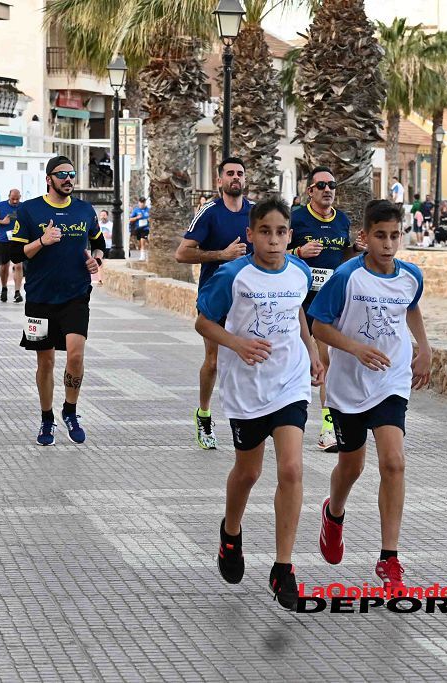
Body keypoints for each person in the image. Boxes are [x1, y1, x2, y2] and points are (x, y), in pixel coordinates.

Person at [194, 196, 325, 611]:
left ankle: (283, 567)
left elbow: (298, 315)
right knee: (248, 472)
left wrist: (313, 351)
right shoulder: (232, 275)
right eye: (264, 232)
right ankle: (230, 534)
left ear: (290, 235)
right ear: (250, 235)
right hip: (246, 388)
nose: (273, 240)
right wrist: (237, 343)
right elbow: (203, 321)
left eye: (281, 232)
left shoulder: (300, 271)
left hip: (289, 381)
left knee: (291, 467)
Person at [308, 199, 431, 594]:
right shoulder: (347, 277)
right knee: (352, 465)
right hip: (348, 386)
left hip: (390, 380)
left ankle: (389, 558)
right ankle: (334, 511)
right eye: (380, 236)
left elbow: (411, 309)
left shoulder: (411, 276)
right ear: (365, 236)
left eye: (395, 236)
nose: (388, 244)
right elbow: (318, 325)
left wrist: (424, 347)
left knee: (394, 462)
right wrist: (355, 348)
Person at [8, 155, 105, 446]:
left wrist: (96, 261)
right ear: (49, 179)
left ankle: (71, 410)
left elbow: (99, 244)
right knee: (46, 361)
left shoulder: (85, 210)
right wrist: (42, 241)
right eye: (61, 174)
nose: (68, 179)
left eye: (72, 174)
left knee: (75, 355)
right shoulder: (29, 211)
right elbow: (14, 254)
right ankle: (47, 417)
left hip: (76, 295)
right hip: (39, 298)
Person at [175, 157, 253, 451]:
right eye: (230, 173)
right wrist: (221, 255)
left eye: (240, 174)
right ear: (219, 180)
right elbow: (182, 254)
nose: (235, 178)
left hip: (249, 299)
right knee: (215, 361)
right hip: (215, 295)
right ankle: (204, 414)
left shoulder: (255, 213)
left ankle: (247, 418)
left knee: (248, 359)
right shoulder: (209, 212)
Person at [288, 166, 364, 452]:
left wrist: (354, 249)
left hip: (327, 301)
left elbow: (342, 257)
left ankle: (328, 429)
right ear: (310, 191)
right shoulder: (296, 218)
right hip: (295, 300)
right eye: (321, 185)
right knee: (293, 362)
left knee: (326, 362)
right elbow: (271, 250)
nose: (327, 189)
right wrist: (297, 252)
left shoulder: (341, 220)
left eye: (331, 185)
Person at [0, 189, 23, 302]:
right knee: (4, 266)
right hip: (4, 240)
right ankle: (4, 288)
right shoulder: (1, 206)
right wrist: (2, 222)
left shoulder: (23, 207)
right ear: (9, 196)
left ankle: (17, 292)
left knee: (18, 265)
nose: (15, 201)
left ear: (20, 197)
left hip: (18, 240)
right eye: (13, 199)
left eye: (17, 199)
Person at [97, 210, 113, 285]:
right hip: (100, 247)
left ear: (107, 216)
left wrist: (110, 236)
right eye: (101, 215)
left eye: (104, 215)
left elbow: (116, 235)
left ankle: (107, 281)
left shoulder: (111, 225)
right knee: (100, 263)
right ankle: (100, 280)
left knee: (108, 264)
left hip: (109, 246)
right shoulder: (97, 225)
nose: (103, 217)